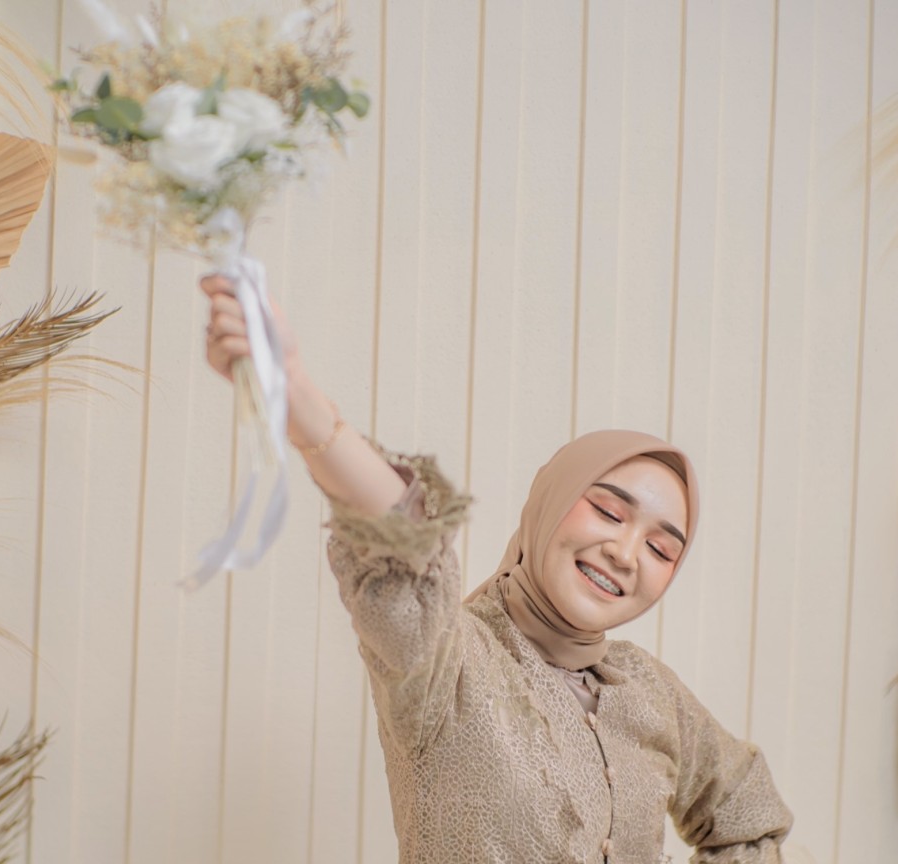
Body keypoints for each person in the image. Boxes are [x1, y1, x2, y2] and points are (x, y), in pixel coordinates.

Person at [201, 275, 793, 863]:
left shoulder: (650, 691)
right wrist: (299, 399)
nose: (626, 552)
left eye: (661, 550)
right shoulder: (448, 662)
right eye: (610, 512)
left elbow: (749, 817)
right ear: (549, 502)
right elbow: (403, 543)